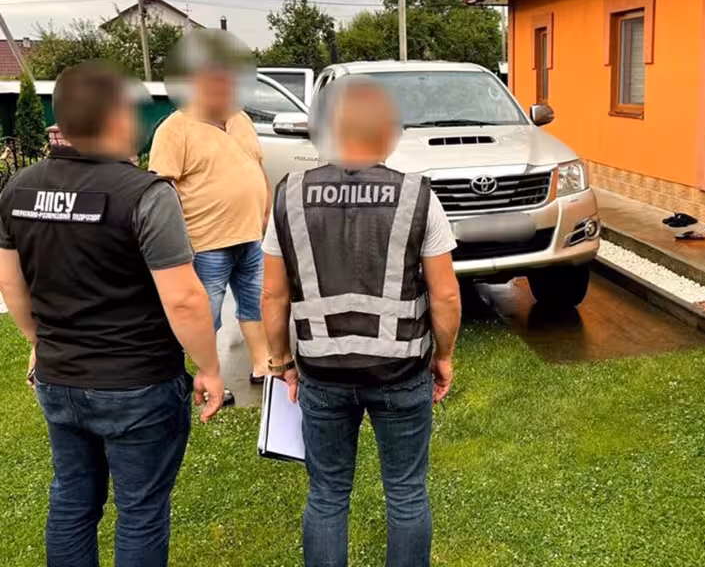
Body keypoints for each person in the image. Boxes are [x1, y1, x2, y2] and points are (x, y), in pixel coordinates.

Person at [0, 61, 224, 567]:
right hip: (137, 384)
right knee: (140, 511)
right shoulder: (146, 194)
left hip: (61, 377)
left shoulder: (18, 188)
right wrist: (209, 368)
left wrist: (37, 341)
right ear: (118, 117)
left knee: (72, 501)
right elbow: (184, 299)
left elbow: (10, 284)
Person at [262, 76, 462, 567]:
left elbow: (272, 293)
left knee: (328, 494)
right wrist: (444, 356)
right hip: (401, 372)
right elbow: (445, 294)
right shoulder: (417, 196)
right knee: (406, 493)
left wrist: (282, 362)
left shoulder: (289, 195)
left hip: (322, 373)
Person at [150, 30, 273, 401]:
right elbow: (162, 190)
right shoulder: (175, 129)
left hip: (251, 237)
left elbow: (256, 166)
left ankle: (262, 366)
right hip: (205, 243)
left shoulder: (241, 119)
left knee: (256, 304)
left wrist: (265, 210)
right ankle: (206, 377)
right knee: (205, 315)